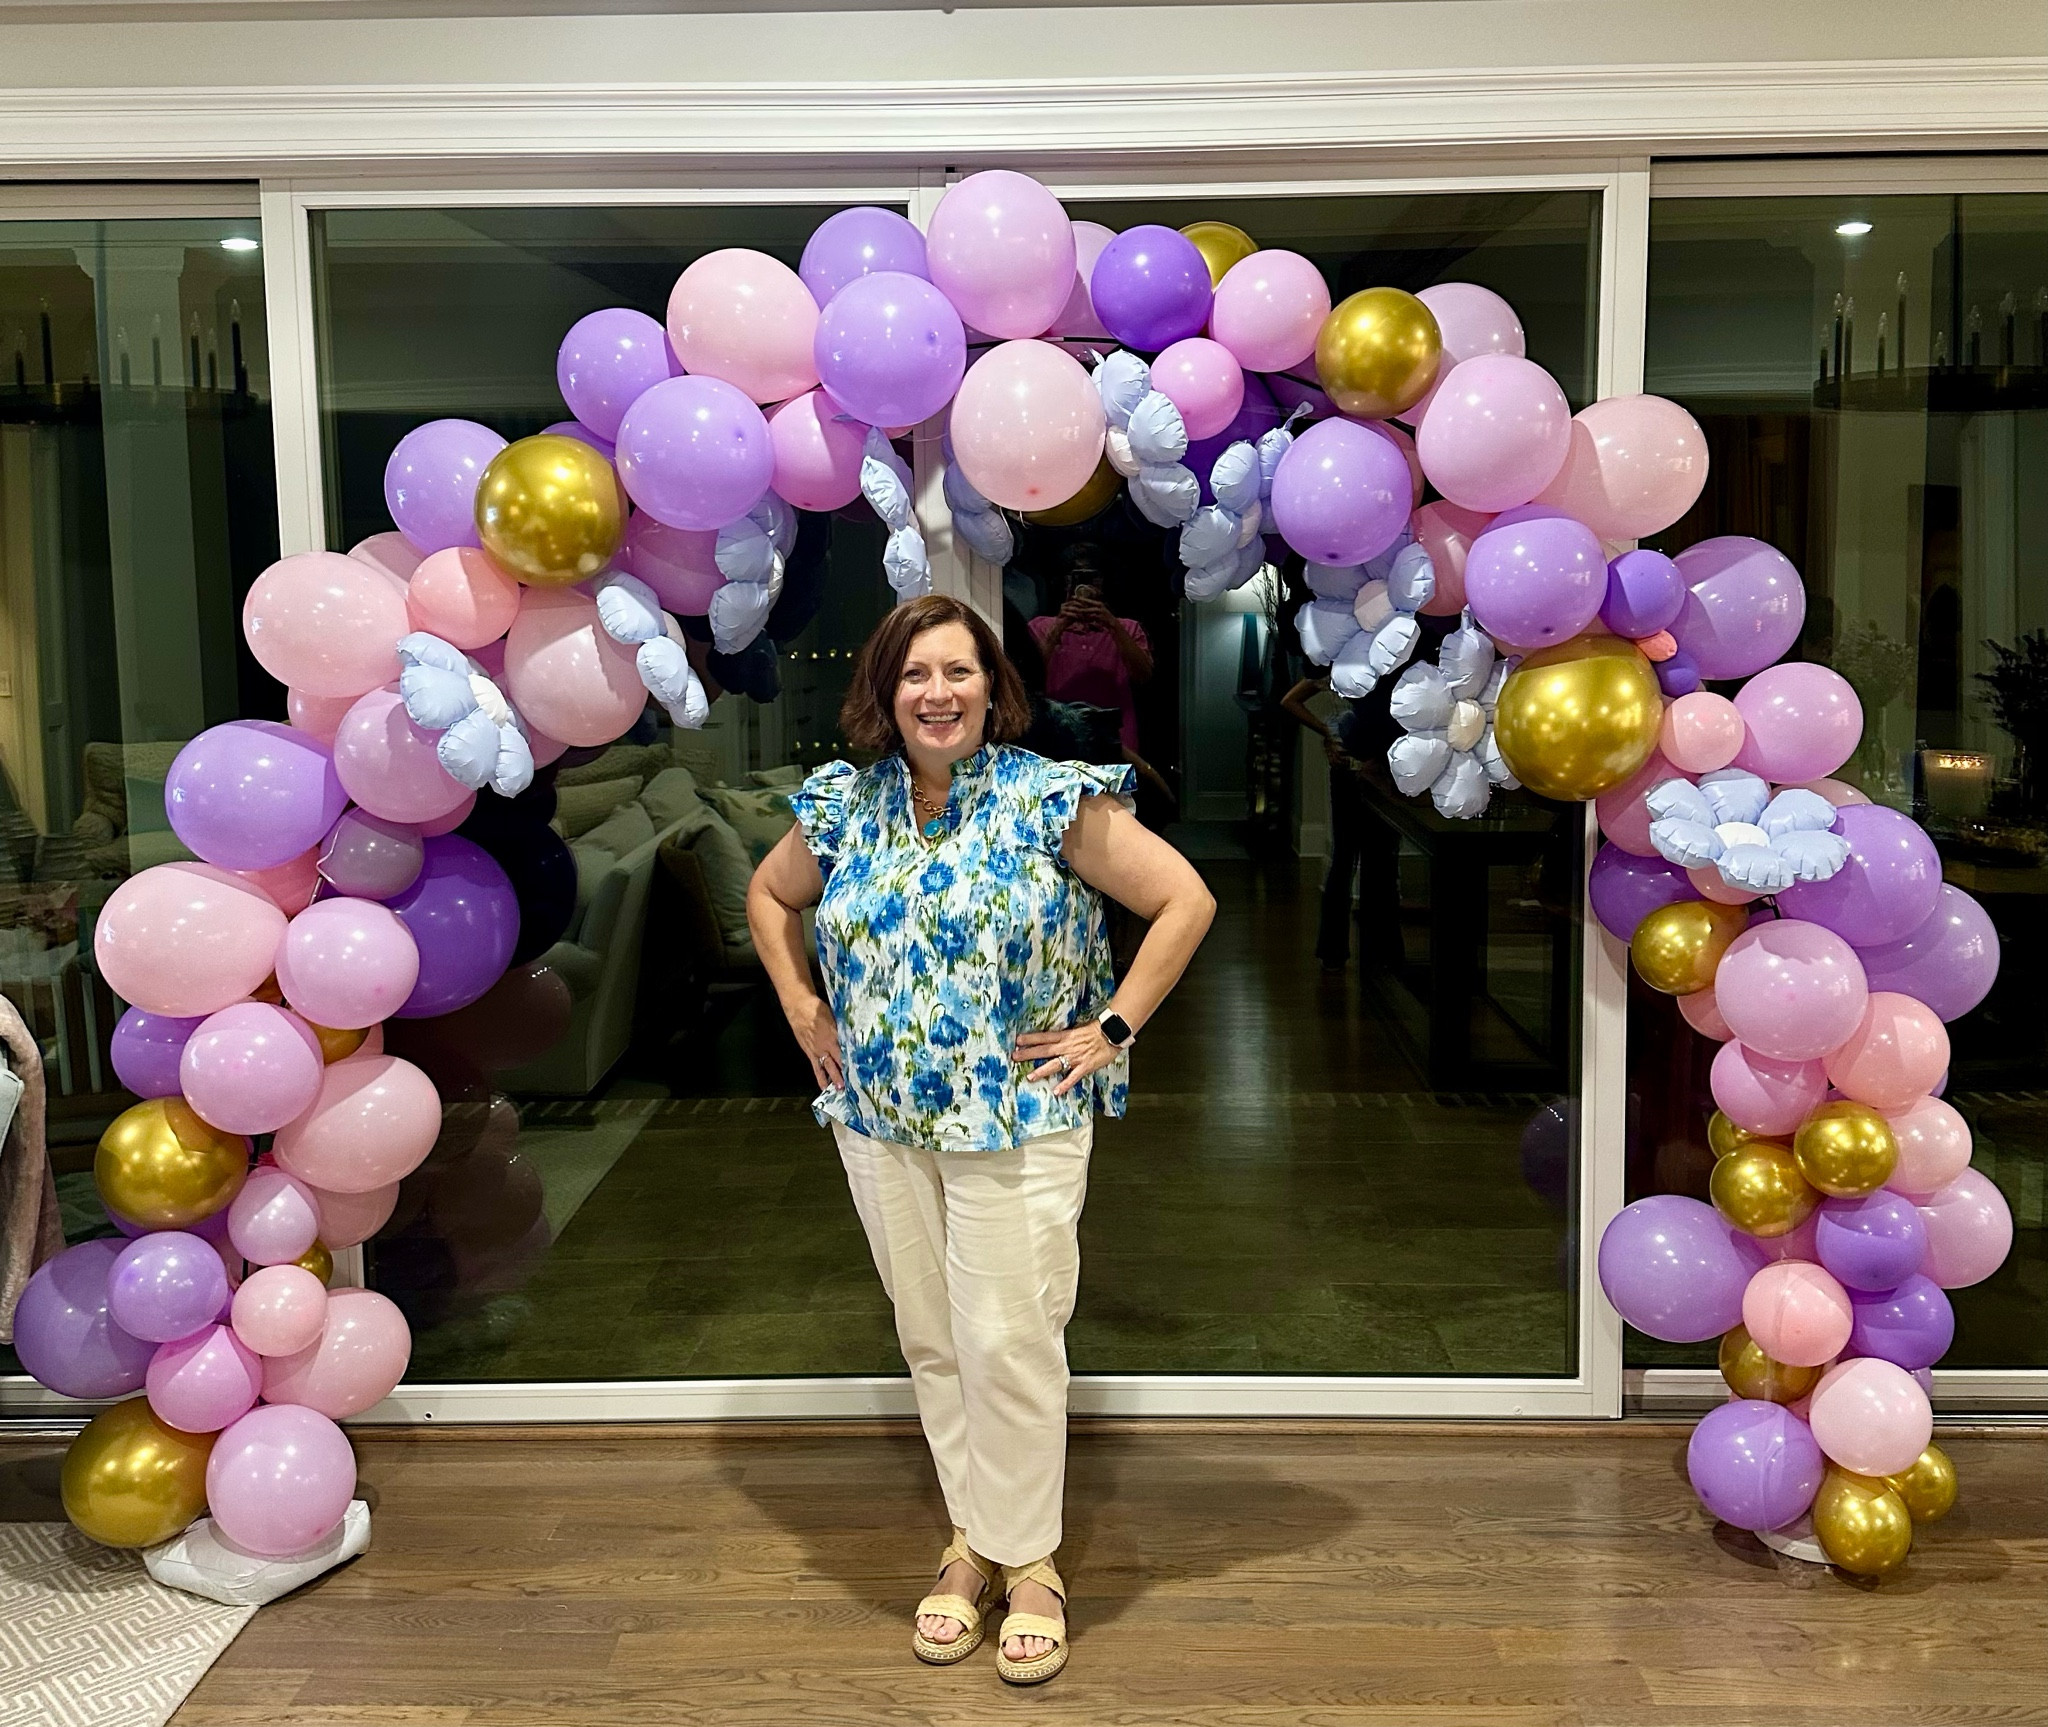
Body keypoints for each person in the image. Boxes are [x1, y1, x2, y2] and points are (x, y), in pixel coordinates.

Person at [746, 594, 1214, 1686]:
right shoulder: (843, 805)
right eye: (914, 674)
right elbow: (771, 897)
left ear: (990, 686)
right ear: (884, 691)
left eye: (956, 671)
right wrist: (800, 1002)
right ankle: (970, 1543)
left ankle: (1032, 1559)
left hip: (1016, 1115)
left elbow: (1182, 900)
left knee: (1008, 1336)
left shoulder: (1049, 796)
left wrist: (1111, 1025)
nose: (937, 693)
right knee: (931, 1336)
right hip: (879, 1115)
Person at [1281, 671, 1403, 974]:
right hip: (1370, 769)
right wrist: (1328, 731)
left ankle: (1337, 952)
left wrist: (1329, 731)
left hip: (1359, 767)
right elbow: (1290, 701)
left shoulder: (1343, 665)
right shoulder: (1363, 666)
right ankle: (1380, 952)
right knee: (1376, 860)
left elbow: (1290, 700)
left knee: (1351, 858)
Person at [1030, 562, 1175, 809]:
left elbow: (1143, 676)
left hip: (1118, 743)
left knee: (1118, 812)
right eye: (1076, 580)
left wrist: (1112, 625)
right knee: (1056, 816)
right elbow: (1027, 677)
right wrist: (1059, 628)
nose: (1084, 589)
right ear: (1065, 585)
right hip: (1054, 740)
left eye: (1092, 579)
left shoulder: (1128, 628)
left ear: (1103, 585)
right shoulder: (1040, 626)